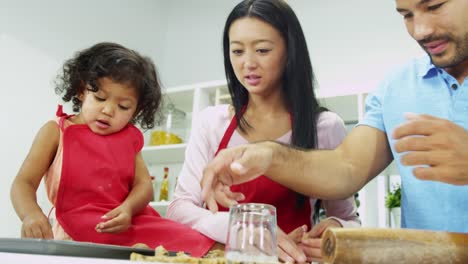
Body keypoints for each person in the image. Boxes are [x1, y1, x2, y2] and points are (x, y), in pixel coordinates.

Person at [201, 0, 468, 236]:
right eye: (406, 15)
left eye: (435, 6)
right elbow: (347, 167)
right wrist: (268, 155)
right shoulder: (396, 87)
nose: (420, 30)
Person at [166, 0, 360, 262]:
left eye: (262, 50)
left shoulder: (324, 127)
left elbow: (349, 219)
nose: (248, 63)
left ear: (290, 51)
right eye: (237, 51)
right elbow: (179, 209)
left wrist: (336, 228)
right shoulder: (212, 122)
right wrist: (242, 229)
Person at [10, 42, 215, 257]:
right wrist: (30, 214)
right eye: (100, 98)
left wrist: (128, 209)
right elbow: (23, 183)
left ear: (137, 109)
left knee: (197, 241)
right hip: (80, 226)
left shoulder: (130, 137)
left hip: (127, 221)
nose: (108, 110)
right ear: (81, 90)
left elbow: (143, 185)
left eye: (123, 106)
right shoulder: (55, 131)